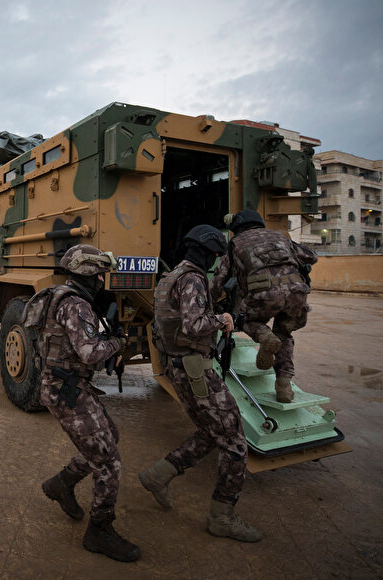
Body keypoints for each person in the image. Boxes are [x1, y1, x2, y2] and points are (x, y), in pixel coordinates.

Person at [139, 225, 262, 543]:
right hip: (196, 372)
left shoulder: (172, 275)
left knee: (211, 432)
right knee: (235, 442)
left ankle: (158, 475)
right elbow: (194, 324)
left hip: (180, 368)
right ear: (211, 254)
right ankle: (222, 517)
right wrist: (223, 319)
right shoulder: (193, 278)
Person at [24, 244, 139, 562]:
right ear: (89, 272)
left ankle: (62, 483)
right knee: (109, 462)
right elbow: (90, 353)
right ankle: (99, 532)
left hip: (68, 387)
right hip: (68, 392)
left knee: (108, 440)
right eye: (101, 273)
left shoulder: (59, 295)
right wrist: (118, 342)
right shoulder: (75, 305)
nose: (103, 279)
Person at [210, 210, 318, 403]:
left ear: (236, 228)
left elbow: (219, 279)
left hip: (263, 293)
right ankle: (283, 386)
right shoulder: (281, 237)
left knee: (246, 320)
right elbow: (311, 256)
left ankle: (265, 337)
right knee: (284, 334)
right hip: (297, 292)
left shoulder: (236, 244)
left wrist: (209, 303)